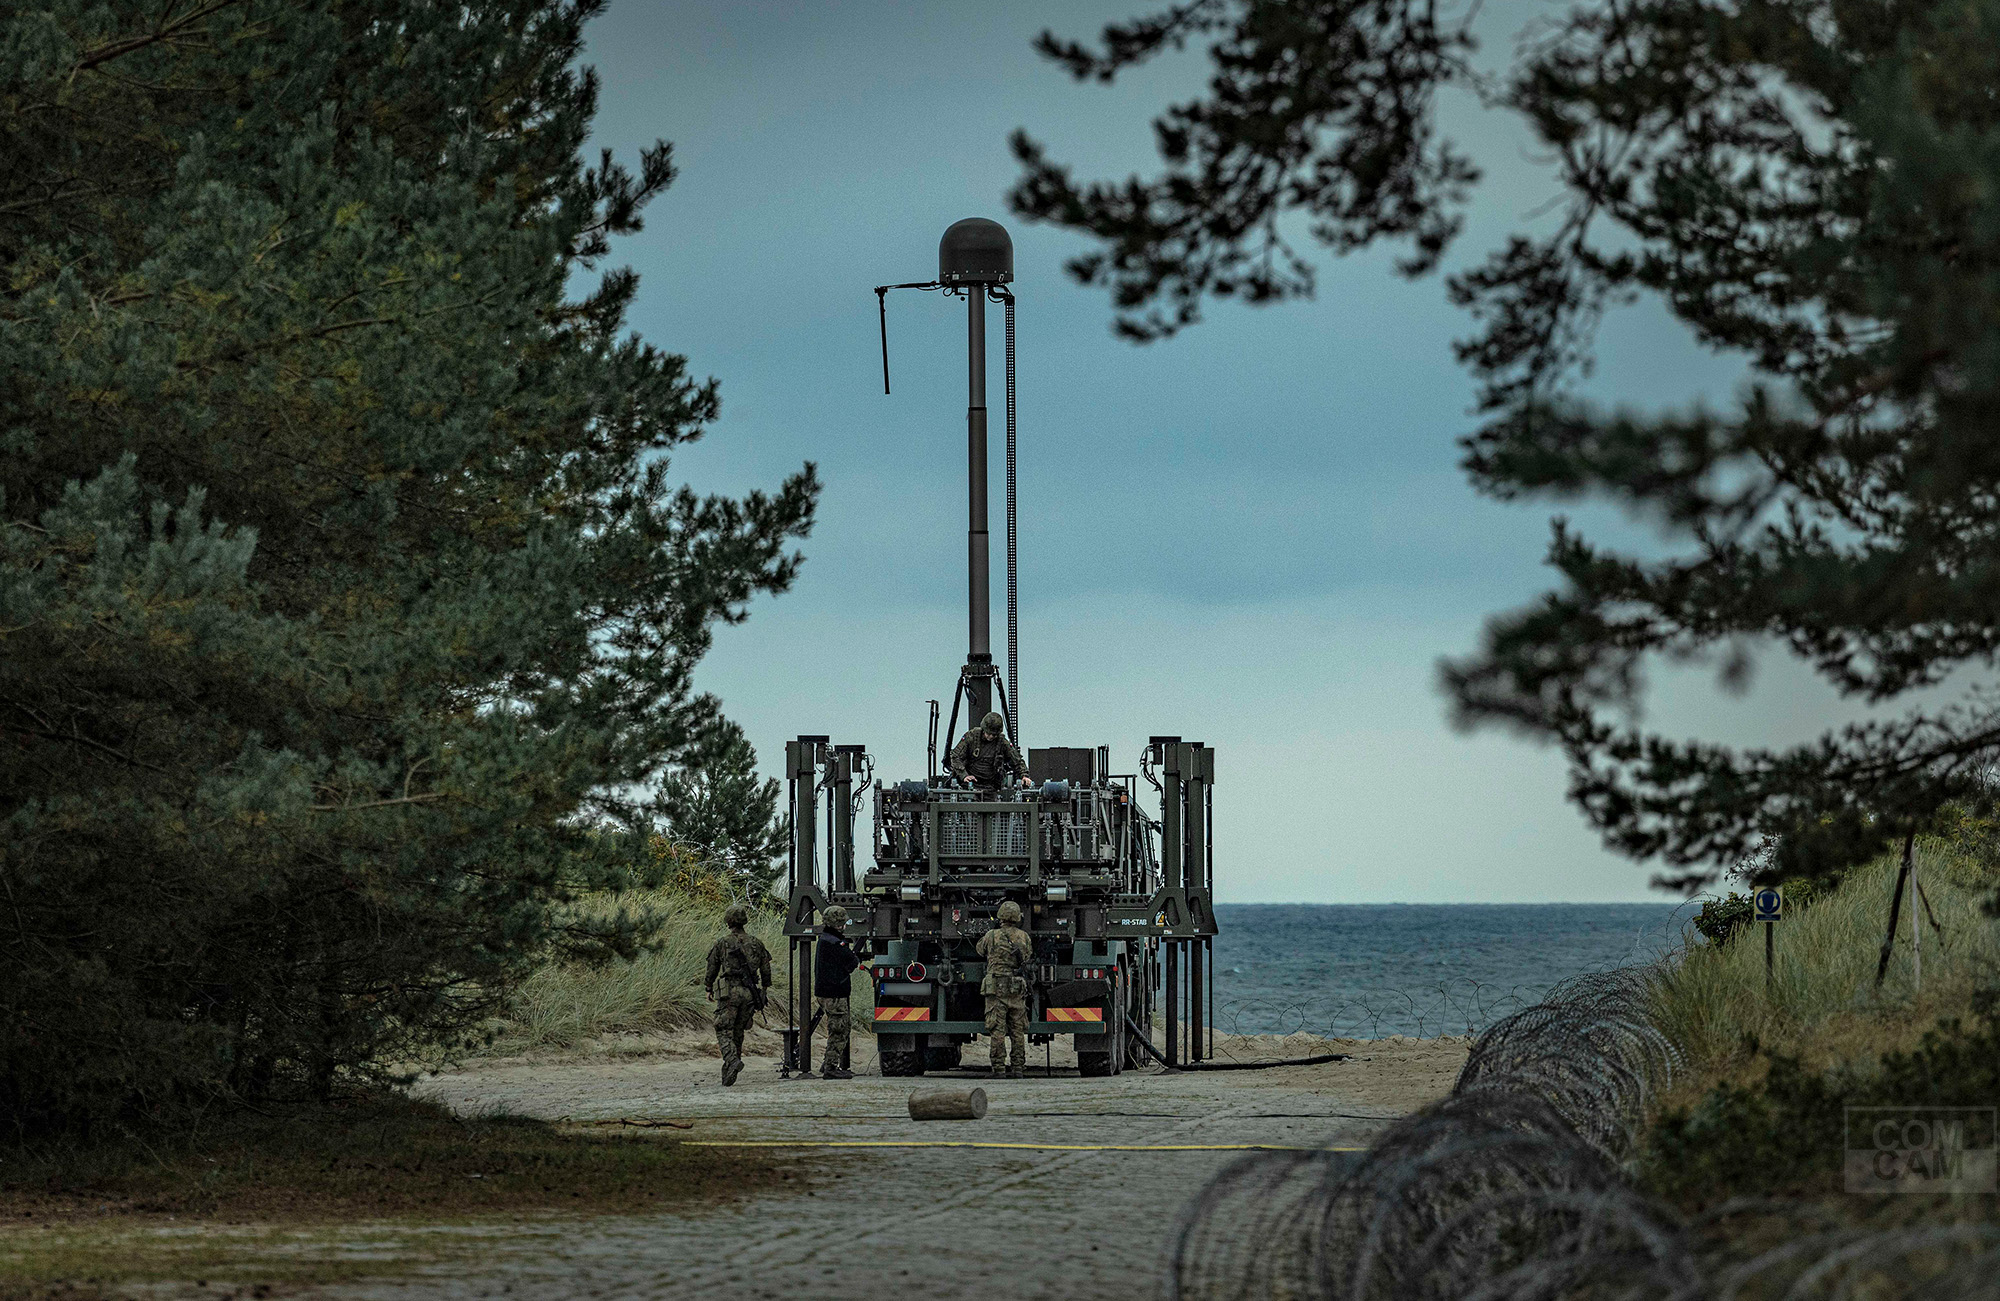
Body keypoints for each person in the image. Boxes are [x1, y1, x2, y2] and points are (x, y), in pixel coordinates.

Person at [703, 902, 772, 1087]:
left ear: (728, 921)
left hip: (730, 991)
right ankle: (730, 1072)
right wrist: (763, 992)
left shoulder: (723, 942)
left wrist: (708, 987)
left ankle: (732, 1061)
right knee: (738, 1031)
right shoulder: (757, 943)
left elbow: (712, 968)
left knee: (723, 1028)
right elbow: (766, 971)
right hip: (750, 993)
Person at [975, 900, 1033, 1078]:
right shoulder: (1024, 937)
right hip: (1016, 987)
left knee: (997, 1029)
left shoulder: (992, 935)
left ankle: (998, 1068)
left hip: (996, 988)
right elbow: (1028, 956)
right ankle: (1018, 1068)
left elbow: (979, 950)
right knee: (1017, 1030)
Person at [812, 904, 860, 1079]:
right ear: (839, 924)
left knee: (838, 1027)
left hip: (826, 991)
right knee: (839, 1030)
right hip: (835, 993)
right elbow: (851, 961)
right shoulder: (835, 943)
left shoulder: (825, 939)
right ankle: (831, 1067)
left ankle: (828, 1063)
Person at [948, 711, 1030, 789]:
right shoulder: (971, 737)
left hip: (991, 787)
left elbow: (1016, 760)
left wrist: (1024, 776)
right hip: (969, 785)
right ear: (984, 730)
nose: (991, 737)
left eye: (994, 735)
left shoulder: (1002, 742)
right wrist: (964, 775)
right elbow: (955, 756)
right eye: (989, 733)